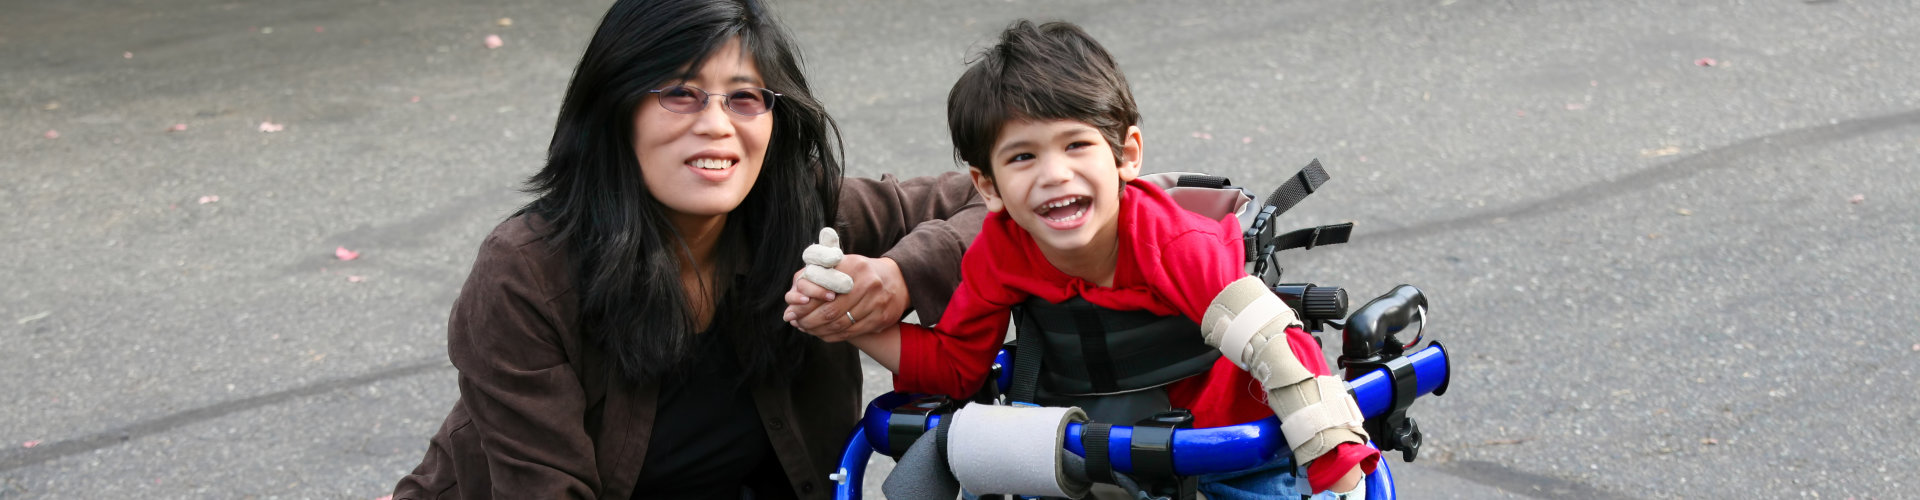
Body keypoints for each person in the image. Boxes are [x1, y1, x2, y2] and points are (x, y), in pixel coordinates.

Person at [388, 0, 983, 498]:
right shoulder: (526, 272)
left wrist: (900, 276)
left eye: (744, 97)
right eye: (681, 93)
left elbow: (998, 199)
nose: (718, 125)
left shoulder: (805, 216)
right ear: (616, 109)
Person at [789, 20, 1377, 498]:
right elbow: (957, 368)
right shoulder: (1001, 250)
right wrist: (853, 322)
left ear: (1127, 154)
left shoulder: (1174, 241)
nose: (1053, 174)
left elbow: (1274, 342)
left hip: (1229, 452)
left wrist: (1335, 455)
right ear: (987, 186)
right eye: (1021, 157)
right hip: (1090, 454)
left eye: (1076, 144)